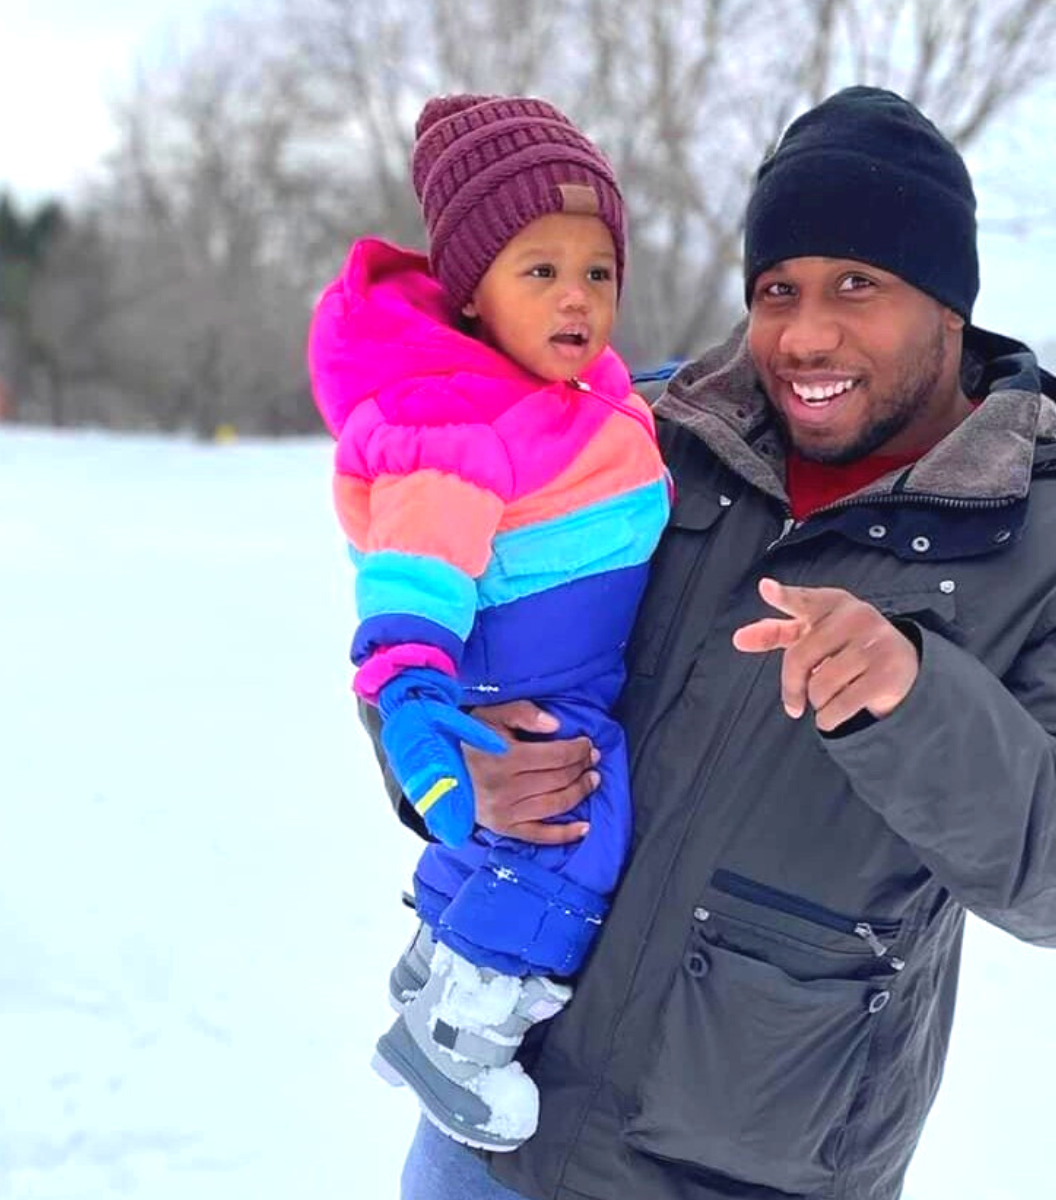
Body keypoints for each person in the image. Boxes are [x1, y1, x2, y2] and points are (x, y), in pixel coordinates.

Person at [376, 86, 1056, 1200]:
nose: (807, 334)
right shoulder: (637, 438)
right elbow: (421, 629)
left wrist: (915, 701)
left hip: (749, 1172)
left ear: (950, 303)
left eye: (859, 284)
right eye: (779, 290)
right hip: (492, 1126)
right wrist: (450, 761)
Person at [307, 95, 669, 1151]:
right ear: (473, 297)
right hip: (521, 673)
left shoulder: (576, 392)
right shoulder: (452, 415)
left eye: (598, 272)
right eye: (540, 270)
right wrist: (410, 689)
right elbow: (414, 571)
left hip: (566, 660)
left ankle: (438, 951)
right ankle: (459, 1028)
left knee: (533, 814)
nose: (578, 299)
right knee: (572, 827)